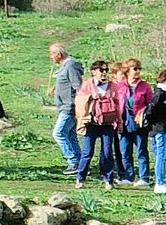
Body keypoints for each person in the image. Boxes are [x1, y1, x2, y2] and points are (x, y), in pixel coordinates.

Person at [73, 59, 124, 189]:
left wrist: (119, 121)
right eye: (101, 70)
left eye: (106, 70)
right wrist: (90, 97)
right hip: (92, 124)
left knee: (107, 152)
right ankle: (80, 178)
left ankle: (109, 180)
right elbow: (79, 101)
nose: (104, 73)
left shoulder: (113, 86)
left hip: (108, 124)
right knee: (87, 152)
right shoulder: (87, 85)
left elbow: (118, 105)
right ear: (93, 72)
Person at [49, 43, 83, 180]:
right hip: (65, 106)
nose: (51, 57)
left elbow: (78, 87)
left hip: (69, 107)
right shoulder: (66, 67)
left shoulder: (70, 66)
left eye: (52, 53)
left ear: (59, 54)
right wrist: (56, 88)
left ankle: (73, 161)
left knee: (58, 133)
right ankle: (80, 162)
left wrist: (79, 106)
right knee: (70, 135)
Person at [118, 59, 151, 186]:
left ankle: (144, 178)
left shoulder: (145, 86)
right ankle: (128, 177)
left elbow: (151, 104)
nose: (138, 71)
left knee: (141, 151)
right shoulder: (120, 86)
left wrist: (143, 113)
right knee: (125, 151)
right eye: (135, 69)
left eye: (139, 69)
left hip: (139, 123)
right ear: (127, 71)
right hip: (124, 122)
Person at [146, 67, 166, 193]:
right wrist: (156, 124)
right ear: (163, 80)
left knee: (163, 155)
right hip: (161, 130)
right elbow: (150, 112)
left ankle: (162, 181)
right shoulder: (159, 94)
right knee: (161, 155)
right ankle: (159, 182)